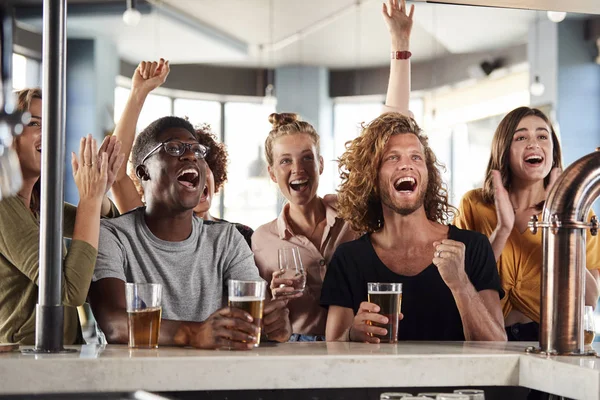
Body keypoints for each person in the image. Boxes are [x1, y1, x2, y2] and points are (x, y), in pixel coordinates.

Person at [251, 0, 414, 342]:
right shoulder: (261, 240)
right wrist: (273, 296)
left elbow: (390, 137)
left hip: (361, 340)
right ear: (271, 173)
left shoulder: (351, 210)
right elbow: (258, 319)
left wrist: (400, 47)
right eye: (285, 161)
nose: (298, 168)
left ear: (321, 164)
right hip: (294, 349)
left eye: (307, 157)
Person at [89, 116, 291, 349]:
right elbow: (114, 324)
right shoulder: (113, 236)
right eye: (174, 148)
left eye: (198, 150)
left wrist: (274, 325)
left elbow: (255, 321)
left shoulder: (226, 239)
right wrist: (193, 334)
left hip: (214, 380)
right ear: (144, 172)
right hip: (138, 380)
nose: (191, 155)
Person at [321, 112, 507, 342]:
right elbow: (331, 353)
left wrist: (460, 283)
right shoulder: (349, 259)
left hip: (455, 380)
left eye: (416, 157)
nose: (406, 165)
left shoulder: (472, 247)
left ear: (428, 175)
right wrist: (351, 335)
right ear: (372, 177)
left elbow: (496, 345)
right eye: (392, 158)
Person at [454, 106, 600, 341]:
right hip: (488, 338)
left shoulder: (577, 210)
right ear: (504, 150)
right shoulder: (474, 204)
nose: (533, 144)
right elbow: (463, 284)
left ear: (553, 150)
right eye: (521, 137)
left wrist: (557, 225)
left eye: (542, 136)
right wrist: (502, 230)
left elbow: (589, 300)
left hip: (554, 342)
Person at [0, 88, 124, 344]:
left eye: (51, 124)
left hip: (57, 362)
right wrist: (89, 199)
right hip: (22, 368)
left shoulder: (39, 205)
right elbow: (68, 291)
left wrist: (98, 193)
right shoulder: (4, 205)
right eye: (33, 123)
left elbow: (112, 231)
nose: (47, 133)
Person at [110, 59, 253, 247]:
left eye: (199, 155)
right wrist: (139, 92)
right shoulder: (149, 229)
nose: (191, 158)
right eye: (176, 152)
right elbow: (116, 171)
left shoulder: (239, 236)